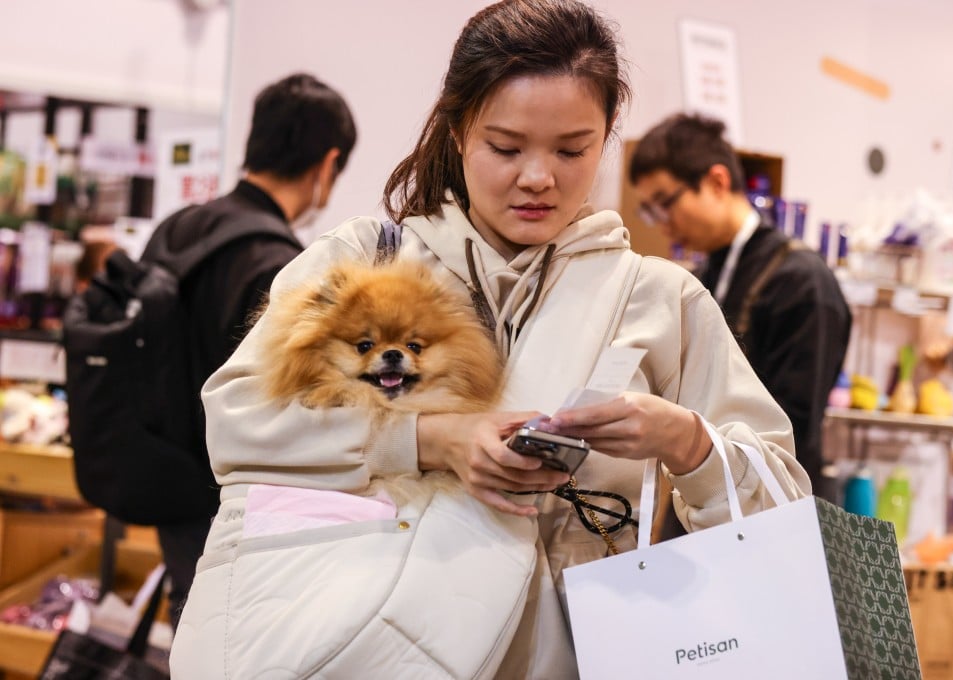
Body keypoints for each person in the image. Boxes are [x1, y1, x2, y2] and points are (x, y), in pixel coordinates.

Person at [170, 2, 808, 677]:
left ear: (608, 135)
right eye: (506, 147)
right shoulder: (366, 262)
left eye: (572, 150)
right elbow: (237, 420)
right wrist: (428, 441)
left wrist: (686, 443)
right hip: (372, 650)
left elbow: (782, 512)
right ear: (456, 129)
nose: (539, 177)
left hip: (574, 656)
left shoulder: (659, 299)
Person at [143, 72, 357, 627]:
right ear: (328, 164)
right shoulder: (278, 263)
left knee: (189, 628)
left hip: (162, 473)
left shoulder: (179, 228)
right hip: (226, 499)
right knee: (229, 635)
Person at [628, 113, 851, 493]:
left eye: (665, 203)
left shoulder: (801, 281)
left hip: (772, 503)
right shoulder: (701, 276)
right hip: (703, 491)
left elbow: (792, 428)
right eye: (649, 211)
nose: (661, 223)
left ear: (716, 182)